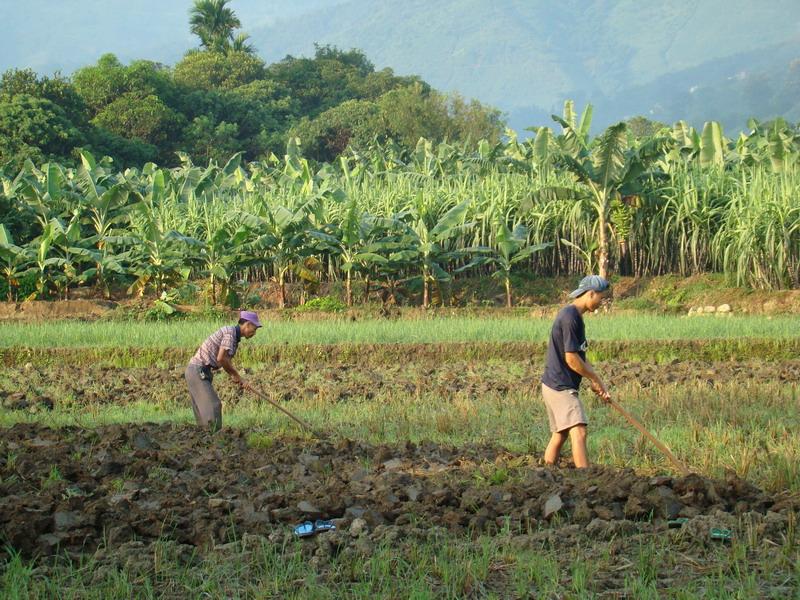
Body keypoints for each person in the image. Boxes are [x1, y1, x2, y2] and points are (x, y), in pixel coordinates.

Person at [541, 275, 611, 468]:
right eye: (601, 298)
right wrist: (593, 377)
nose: (602, 302)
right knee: (579, 430)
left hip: (553, 384)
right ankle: (585, 479)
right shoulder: (570, 318)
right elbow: (571, 358)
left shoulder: (574, 317)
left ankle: (546, 473)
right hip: (560, 386)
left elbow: (580, 357)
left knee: (560, 434)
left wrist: (597, 381)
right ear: (591, 294)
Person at [185, 310, 262, 430]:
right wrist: (236, 375)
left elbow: (224, 360)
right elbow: (221, 358)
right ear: (247, 324)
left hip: (199, 371)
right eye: (254, 328)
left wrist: (235, 377)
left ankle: (206, 441)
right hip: (197, 371)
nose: (254, 333)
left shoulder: (233, 336)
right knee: (213, 406)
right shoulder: (230, 333)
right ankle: (215, 441)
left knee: (204, 414)